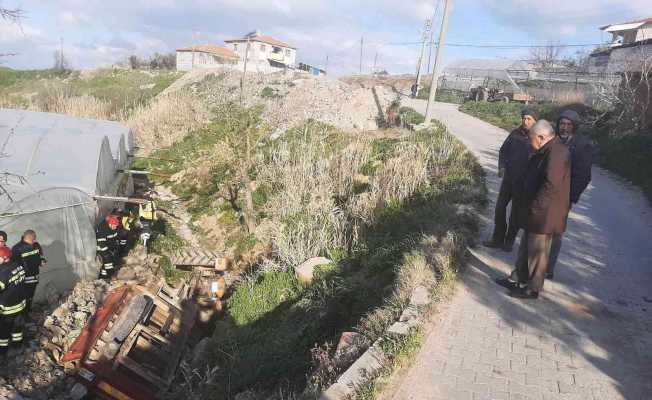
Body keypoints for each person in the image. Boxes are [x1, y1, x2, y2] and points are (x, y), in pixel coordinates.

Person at [496, 120, 571, 299]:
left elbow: (551, 186)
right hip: (536, 210)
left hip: (545, 213)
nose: (530, 142)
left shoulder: (557, 152)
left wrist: (536, 208)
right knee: (526, 248)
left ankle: (533, 289)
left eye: (531, 138)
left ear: (541, 137)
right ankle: (517, 278)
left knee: (538, 252)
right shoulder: (546, 149)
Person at [547, 109, 593, 279]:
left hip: (564, 197)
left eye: (568, 125)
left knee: (556, 232)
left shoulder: (582, 145)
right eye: (562, 124)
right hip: (546, 193)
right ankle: (536, 264)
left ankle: (548, 268)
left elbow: (584, 176)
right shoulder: (553, 140)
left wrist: (570, 197)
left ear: (574, 127)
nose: (564, 128)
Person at [484, 107, 538, 251]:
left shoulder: (538, 138)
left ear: (535, 121)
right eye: (524, 118)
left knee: (516, 214)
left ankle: (509, 241)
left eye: (529, 119)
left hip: (523, 184)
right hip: (508, 179)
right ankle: (497, 238)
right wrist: (501, 167)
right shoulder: (515, 134)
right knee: (500, 208)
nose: (525, 121)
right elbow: (503, 151)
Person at [11, 230, 46, 314]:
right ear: (29, 237)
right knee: (23, 298)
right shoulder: (17, 248)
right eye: (33, 239)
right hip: (24, 279)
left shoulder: (35, 246)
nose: (35, 240)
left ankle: (27, 313)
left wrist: (41, 261)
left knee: (30, 297)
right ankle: (22, 316)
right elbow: (14, 265)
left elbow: (38, 258)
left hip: (34, 277)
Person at [0, 246, 26, 359]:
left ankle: (2, 351)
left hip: (8, 309)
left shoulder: (2, 272)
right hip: (20, 305)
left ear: (4, 257)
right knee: (17, 328)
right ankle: (17, 347)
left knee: (3, 331)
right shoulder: (18, 266)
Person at [96, 215, 120, 280]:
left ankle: (103, 277)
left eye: (116, 226)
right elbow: (101, 242)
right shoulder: (103, 229)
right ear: (110, 224)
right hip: (102, 249)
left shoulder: (114, 229)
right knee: (108, 261)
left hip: (109, 248)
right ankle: (110, 275)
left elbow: (114, 239)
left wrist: (114, 248)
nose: (115, 227)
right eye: (114, 225)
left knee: (106, 264)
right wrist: (106, 252)